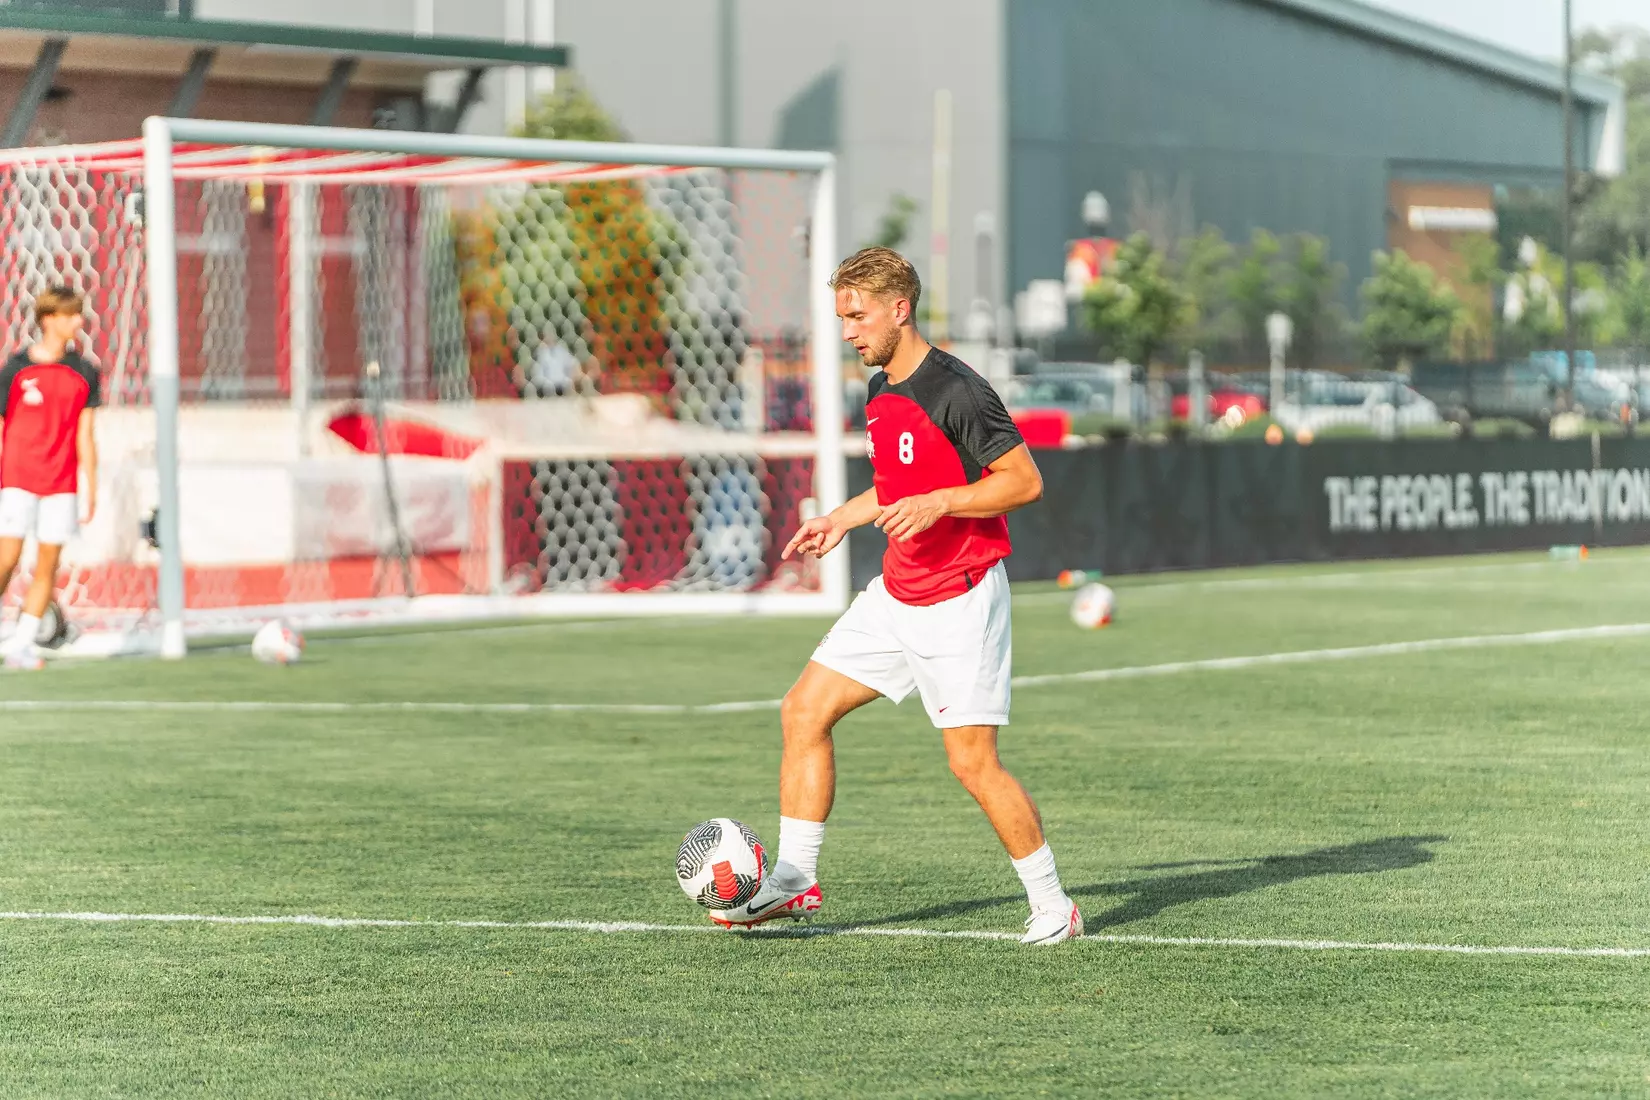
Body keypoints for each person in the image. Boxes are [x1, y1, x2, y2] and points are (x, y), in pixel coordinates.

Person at [711, 248, 1081, 946]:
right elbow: (897, 485)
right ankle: (793, 878)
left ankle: (1054, 904)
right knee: (803, 711)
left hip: (960, 599)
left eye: (858, 315)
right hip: (897, 593)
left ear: (899, 309)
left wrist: (944, 503)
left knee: (971, 763)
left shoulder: (958, 389)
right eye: (842, 317)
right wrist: (841, 518)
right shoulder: (881, 390)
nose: (849, 331)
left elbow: (1023, 481)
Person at [0, 286, 99, 670]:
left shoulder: (84, 371)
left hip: (61, 484)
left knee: (47, 566)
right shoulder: (15, 369)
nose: (78, 321)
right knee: (6, 560)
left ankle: (21, 646)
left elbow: (85, 434)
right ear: (49, 320)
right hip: (17, 479)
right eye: (71, 314)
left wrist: (92, 484)